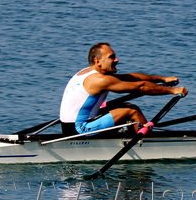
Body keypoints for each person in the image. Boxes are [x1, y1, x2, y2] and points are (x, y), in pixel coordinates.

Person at [59, 43, 188, 135]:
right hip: (79, 129)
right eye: (112, 57)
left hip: (69, 126)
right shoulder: (100, 80)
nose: (117, 59)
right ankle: (147, 144)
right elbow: (141, 87)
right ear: (97, 61)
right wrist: (173, 91)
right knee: (132, 111)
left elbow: (131, 77)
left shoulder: (85, 72)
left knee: (128, 105)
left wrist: (163, 79)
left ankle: (131, 133)